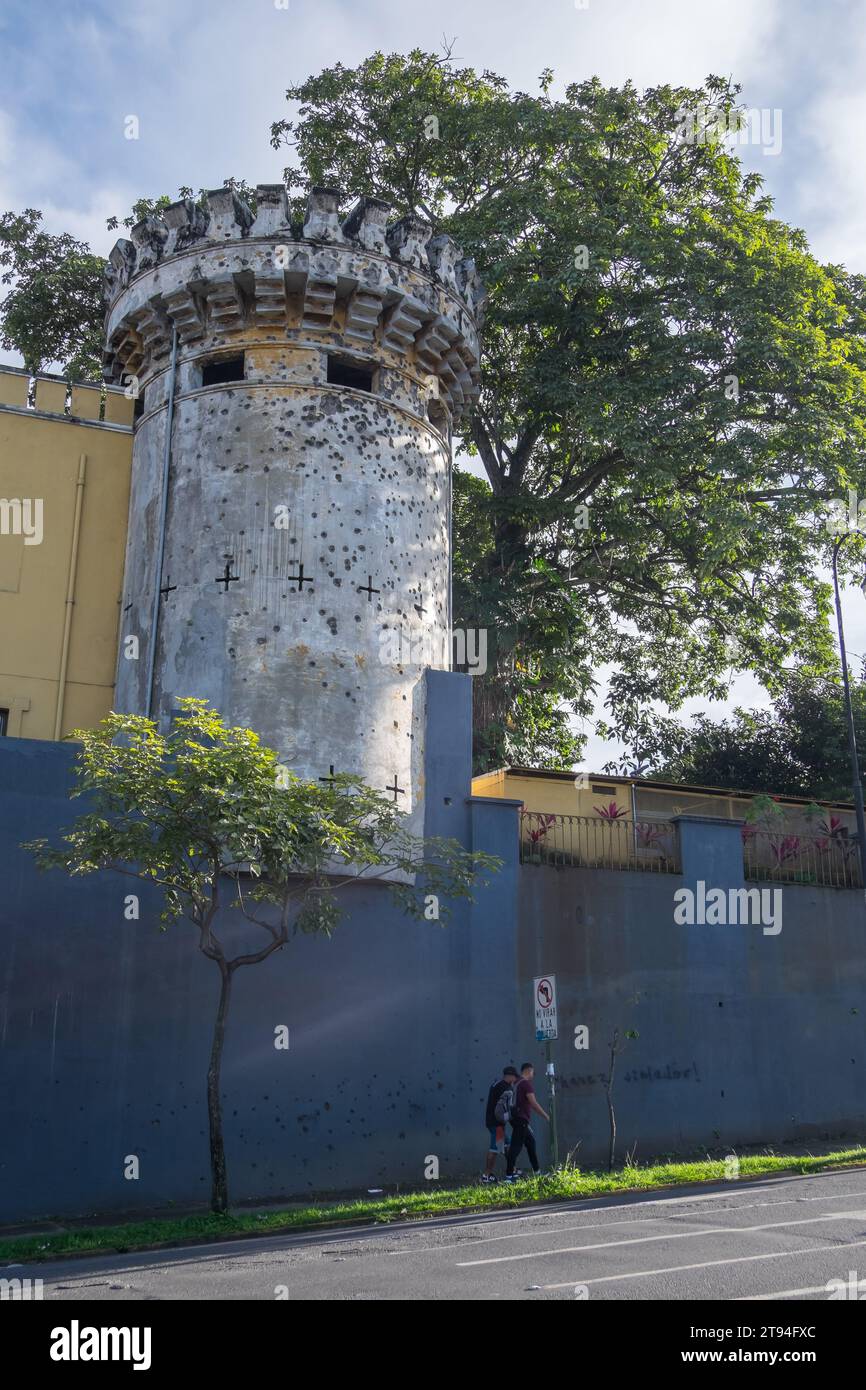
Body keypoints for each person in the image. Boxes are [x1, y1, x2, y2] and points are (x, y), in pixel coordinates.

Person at [505, 1061, 549, 1179]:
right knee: (516, 1146)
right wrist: (545, 1115)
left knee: (530, 1143)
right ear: (529, 1071)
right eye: (533, 1073)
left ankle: (537, 1172)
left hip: (515, 1118)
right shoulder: (526, 1084)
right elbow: (533, 1103)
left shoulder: (516, 1083)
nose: (533, 1075)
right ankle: (509, 1176)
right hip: (521, 1119)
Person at [482, 1065, 519, 1183]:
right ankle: (486, 1176)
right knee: (495, 1148)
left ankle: (513, 1170)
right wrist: (512, 1116)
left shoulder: (496, 1084)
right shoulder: (507, 1088)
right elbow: (506, 1107)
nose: (515, 1080)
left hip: (492, 1121)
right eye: (514, 1077)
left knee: (506, 1144)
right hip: (497, 1124)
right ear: (510, 1076)